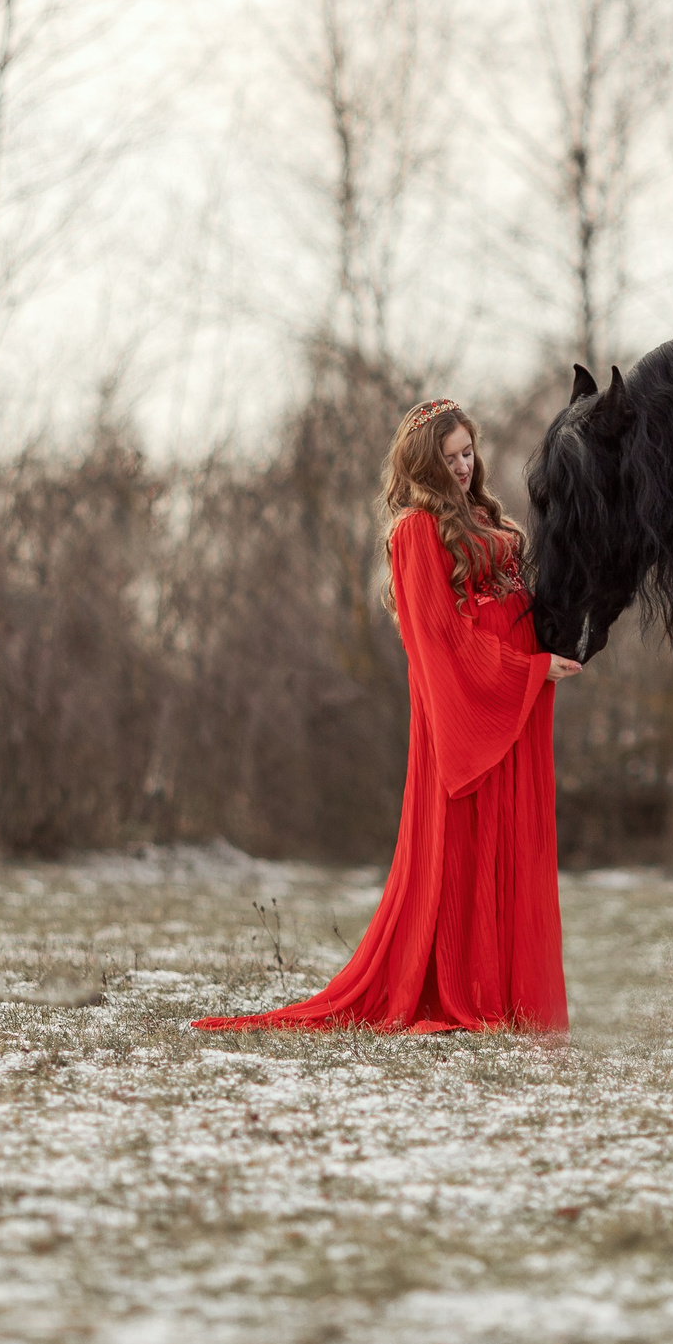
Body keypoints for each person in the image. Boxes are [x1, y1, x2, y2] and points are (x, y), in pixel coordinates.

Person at [192, 397, 583, 1035]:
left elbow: (515, 600)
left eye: (468, 453)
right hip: (467, 719)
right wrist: (526, 668)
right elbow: (439, 641)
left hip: (513, 715)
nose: (464, 467)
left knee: (511, 844)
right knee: (464, 849)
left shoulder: (485, 517)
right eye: (450, 458)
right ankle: (461, 988)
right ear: (423, 465)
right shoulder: (414, 532)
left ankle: (507, 994)